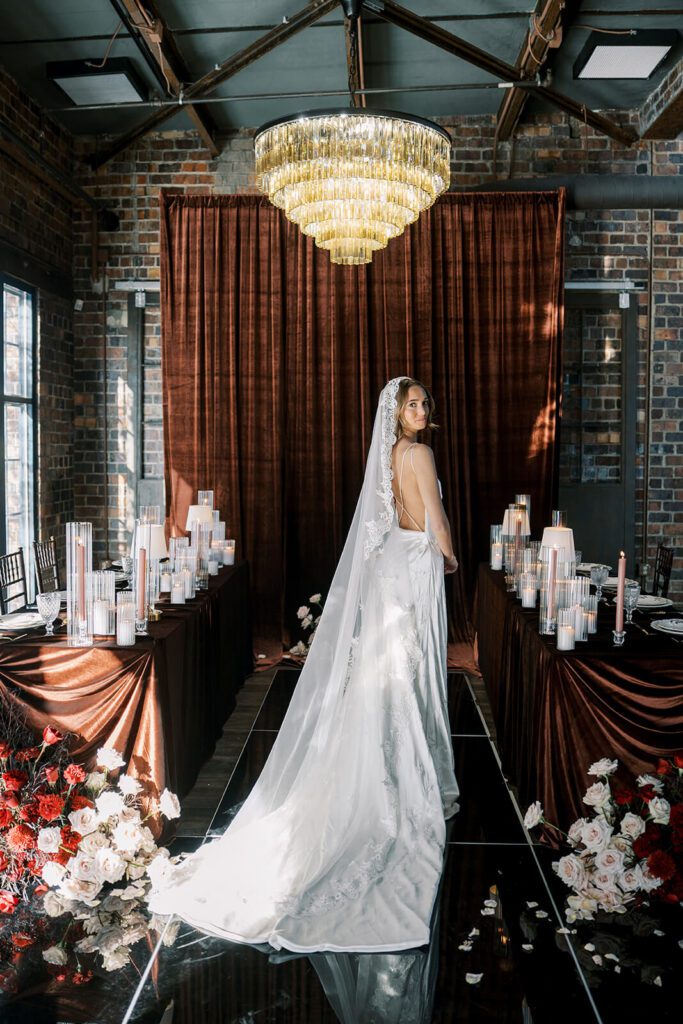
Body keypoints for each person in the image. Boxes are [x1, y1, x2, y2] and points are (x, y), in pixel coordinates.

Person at [149, 377, 459, 952]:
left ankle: (394, 753)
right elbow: (435, 517)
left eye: (423, 403)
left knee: (391, 666)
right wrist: (449, 555)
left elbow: (382, 524)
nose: (420, 410)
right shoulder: (419, 453)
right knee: (407, 666)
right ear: (395, 412)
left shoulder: (389, 455)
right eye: (411, 403)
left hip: (392, 560)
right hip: (415, 564)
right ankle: (409, 768)